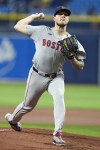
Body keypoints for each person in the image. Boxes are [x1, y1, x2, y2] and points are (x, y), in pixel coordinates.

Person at [5, 6, 86, 146]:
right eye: (60, 14)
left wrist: (73, 58)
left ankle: (57, 133)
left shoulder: (72, 41)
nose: (63, 16)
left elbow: (80, 66)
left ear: (68, 19)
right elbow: (18, 26)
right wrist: (34, 16)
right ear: (54, 18)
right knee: (27, 106)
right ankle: (13, 120)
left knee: (59, 96)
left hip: (56, 76)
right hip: (37, 74)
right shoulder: (42, 30)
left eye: (66, 15)